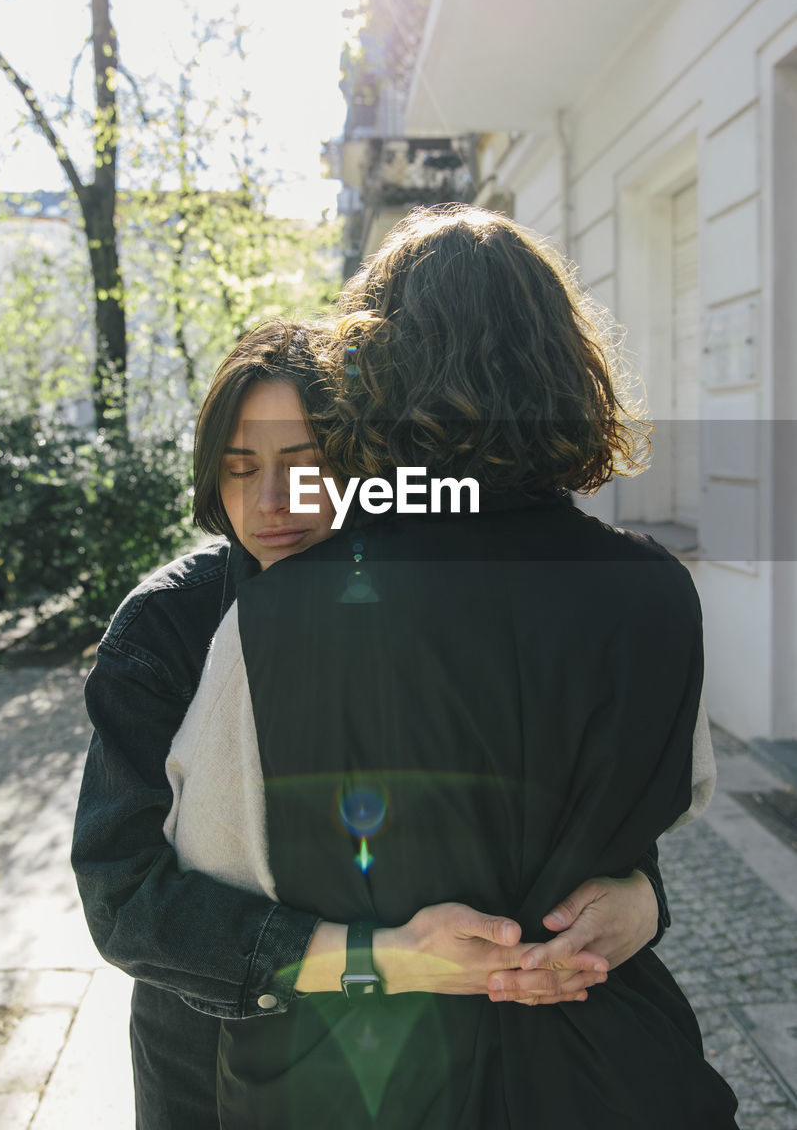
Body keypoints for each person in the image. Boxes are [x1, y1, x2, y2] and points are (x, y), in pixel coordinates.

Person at [163, 208, 736, 1128]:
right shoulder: (657, 590)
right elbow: (676, 795)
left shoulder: (276, 614)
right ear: (566, 370)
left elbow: (214, 862)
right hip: (606, 1068)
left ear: (373, 375)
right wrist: (635, 901)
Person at [72, 318, 672, 1129]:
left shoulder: (425, 606)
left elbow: (552, 806)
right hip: (211, 1060)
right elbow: (124, 899)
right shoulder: (165, 628)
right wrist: (379, 961)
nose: (269, 502)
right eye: (238, 468)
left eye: (303, 466)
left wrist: (641, 897)